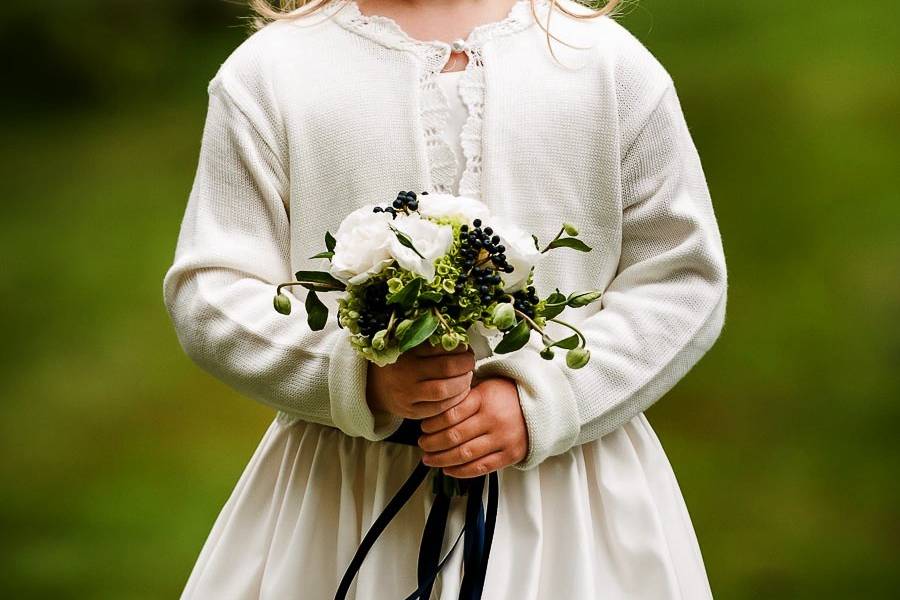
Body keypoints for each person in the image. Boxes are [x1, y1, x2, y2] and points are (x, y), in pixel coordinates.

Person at [162, 0, 729, 597]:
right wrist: (362, 376)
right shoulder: (272, 71)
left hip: (572, 498)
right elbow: (212, 291)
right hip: (346, 497)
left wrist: (548, 398)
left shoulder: (604, 63)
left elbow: (681, 274)